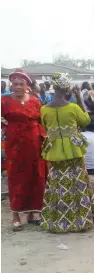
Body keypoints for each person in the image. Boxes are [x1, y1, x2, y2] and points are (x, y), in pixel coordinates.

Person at [40, 72, 94, 233]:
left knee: (57, 185)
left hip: (54, 151)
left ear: (54, 87)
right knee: (77, 184)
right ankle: (80, 221)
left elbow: (45, 128)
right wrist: (79, 97)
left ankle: (56, 222)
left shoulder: (44, 109)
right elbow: (86, 121)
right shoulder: (72, 107)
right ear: (67, 89)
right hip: (74, 150)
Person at [1, 69, 47, 231]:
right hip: (15, 146)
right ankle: (15, 215)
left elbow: (42, 120)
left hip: (35, 144)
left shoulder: (35, 100)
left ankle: (33, 213)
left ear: (27, 85)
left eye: (21, 84)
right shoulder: (4, 101)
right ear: (11, 86)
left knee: (36, 176)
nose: (18, 87)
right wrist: (5, 128)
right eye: (15, 84)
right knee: (16, 178)